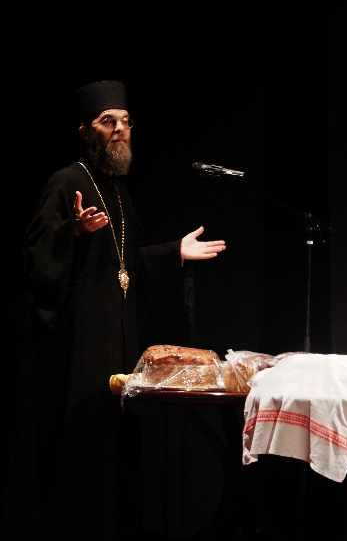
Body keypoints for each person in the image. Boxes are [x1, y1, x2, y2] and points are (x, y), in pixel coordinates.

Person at [3, 81, 226, 541]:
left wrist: (173, 253)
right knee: (82, 458)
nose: (120, 129)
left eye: (125, 121)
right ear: (86, 131)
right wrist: (73, 232)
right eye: (109, 122)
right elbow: (36, 262)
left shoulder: (120, 195)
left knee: (114, 458)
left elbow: (128, 268)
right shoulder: (65, 182)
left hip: (118, 348)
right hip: (78, 351)